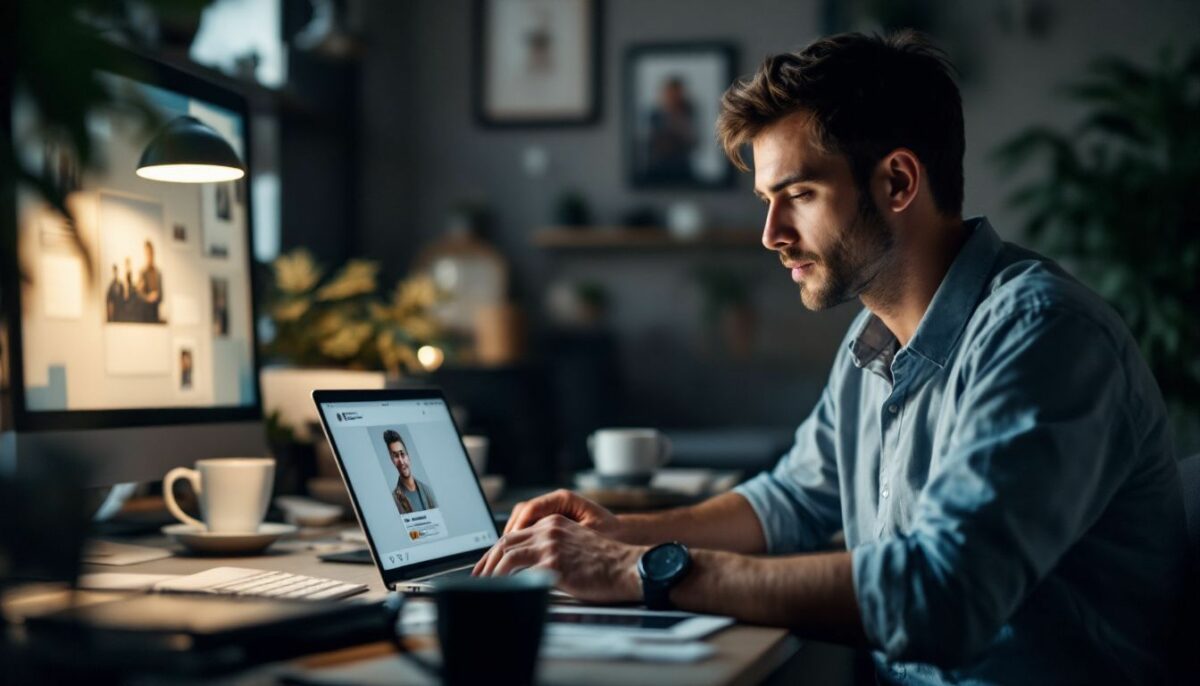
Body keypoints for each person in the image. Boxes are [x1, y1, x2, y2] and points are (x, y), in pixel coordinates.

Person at [473, 32, 1188, 683]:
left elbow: (943, 594)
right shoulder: (871, 337)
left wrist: (644, 568)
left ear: (898, 183)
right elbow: (789, 501)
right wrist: (612, 535)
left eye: (799, 195)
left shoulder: (1042, 335)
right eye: (765, 200)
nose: (770, 233)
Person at [644, 76, 698, 183]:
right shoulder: (655, 116)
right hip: (657, 168)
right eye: (671, 93)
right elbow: (650, 144)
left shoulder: (687, 115)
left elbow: (693, 142)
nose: (674, 97)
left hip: (682, 168)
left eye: (677, 94)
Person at [384, 429, 437, 514]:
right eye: (396, 456)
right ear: (392, 460)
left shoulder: (428, 491)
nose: (401, 461)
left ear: (408, 456)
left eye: (402, 454)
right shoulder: (394, 500)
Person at [137, 240, 163, 323]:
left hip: (155, 314)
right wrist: (148, 298)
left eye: (151, 253)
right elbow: (138, 295)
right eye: (147, 253)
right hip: (144, 315)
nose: (149, 256)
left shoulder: (158, 273)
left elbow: (161, 296)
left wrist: (156, 296)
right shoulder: (142, 272)